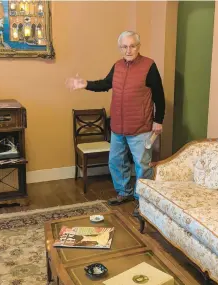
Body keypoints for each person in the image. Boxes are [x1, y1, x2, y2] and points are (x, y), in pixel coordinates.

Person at [65, 31, 165, 216]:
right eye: (124, 46)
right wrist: (84, 84)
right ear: (120, 48)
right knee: (116, 162)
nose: (129, 50)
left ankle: (144, 202)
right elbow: (105, 84)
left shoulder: (149, 66)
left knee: (142, 166)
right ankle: (124, 192)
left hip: (141, 127)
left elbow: (159, 95)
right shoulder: (118, 66)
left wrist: (158, 121)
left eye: (132, 46)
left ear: (138, 46)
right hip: (118, 127)